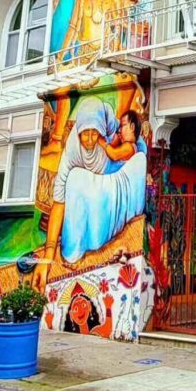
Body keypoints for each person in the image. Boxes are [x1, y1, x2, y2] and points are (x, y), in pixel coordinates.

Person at [32, 97, 146, 290]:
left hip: (111, 184)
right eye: (86, 134)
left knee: (80, 180)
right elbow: (59, 201)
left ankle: (103, 229)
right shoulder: (72, 151)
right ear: (78, 132)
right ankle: (74, 249)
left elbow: (117, 151)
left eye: (96, 133)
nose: (91, 140)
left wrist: (109, 142)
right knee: (75, 180)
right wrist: (47, 258)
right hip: (91, 192)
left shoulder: (110, 122)